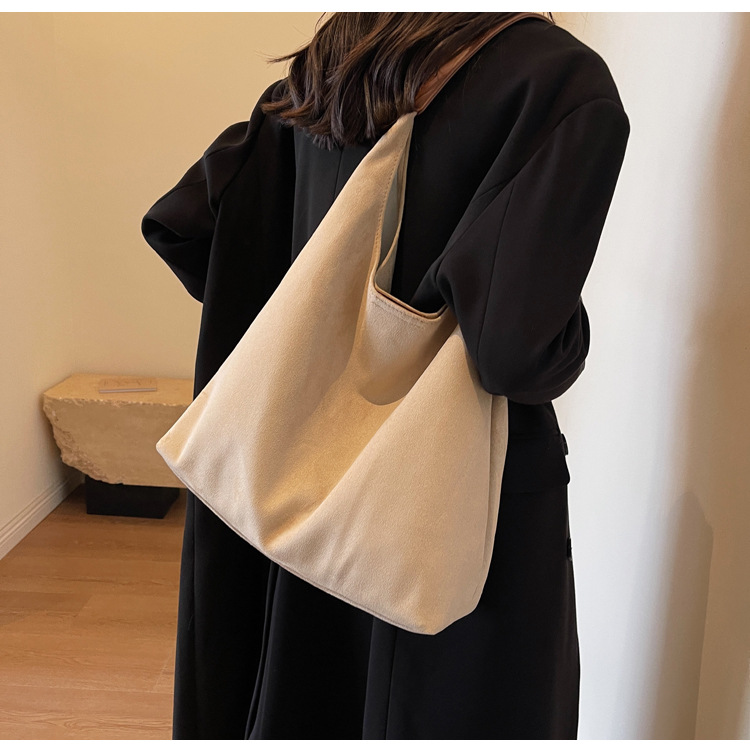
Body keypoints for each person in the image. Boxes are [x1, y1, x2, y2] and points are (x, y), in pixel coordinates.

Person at [141, 12, 630, 739]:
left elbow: (192, 229)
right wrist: (572, 335)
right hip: (446, 505)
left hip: (293, 477)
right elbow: (512, 351)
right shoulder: (556, 80)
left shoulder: (339, 54)